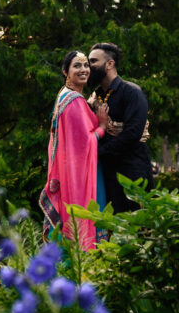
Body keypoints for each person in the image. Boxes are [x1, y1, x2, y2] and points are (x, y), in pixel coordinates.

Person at [39, 51, 109, 250]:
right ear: (65, 71)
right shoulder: (74, 101)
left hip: (67, 172)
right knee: (80, 224)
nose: (84, 70)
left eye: (86, 65)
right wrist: (102, 127)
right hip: (80, 176)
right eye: (77, 66)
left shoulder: (66, 96)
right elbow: (84, 143)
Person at [87, 42, 154, 213]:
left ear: (110, 64)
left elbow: (132, 134)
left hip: (133, 173)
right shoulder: (95, 97)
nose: (89, 66)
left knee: (137, 229)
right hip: (107, 174)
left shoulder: (132, 92)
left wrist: (98, 152)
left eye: (93, 61)